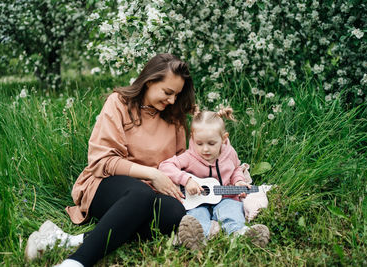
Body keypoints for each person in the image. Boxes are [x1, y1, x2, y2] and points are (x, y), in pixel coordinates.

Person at [25, 53, 195, 267]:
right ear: (150, 81)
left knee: (173, 212)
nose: (172, 100)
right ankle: (75, 263)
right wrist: (153, 174)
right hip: (106, 184)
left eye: (176, 95)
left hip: (151, 193)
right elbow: (101, 161)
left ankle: (70, 241)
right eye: (168, 92)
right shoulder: (119, 103)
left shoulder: (174, 116)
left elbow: (181, 161)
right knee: (139, 193)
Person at [158, 107, 270, 250]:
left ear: (224, 139)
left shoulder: (229, 154)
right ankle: (197, 239)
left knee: (231, 210)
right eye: (199, 143)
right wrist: (186, 180)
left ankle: (241, 234)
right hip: (197, 201)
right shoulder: (190, 157)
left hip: (225, 197)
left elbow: (235, 168)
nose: (205, 149)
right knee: (197, 216)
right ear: (192, 138)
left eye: (211, 144)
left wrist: (239, 181)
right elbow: (165, 166)